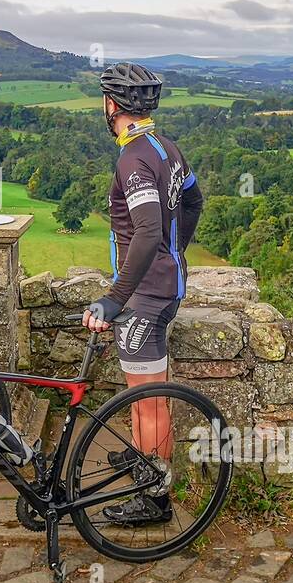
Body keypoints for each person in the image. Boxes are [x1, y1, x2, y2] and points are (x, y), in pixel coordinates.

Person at [81, 62, 204, 525]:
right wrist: (177, 250)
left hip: (145, 297)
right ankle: (142, 461)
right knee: (144, 396)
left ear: (111, 105)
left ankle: (154, 498)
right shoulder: (167, 149)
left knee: (149, 400)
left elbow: (148, 230)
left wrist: (115, 298)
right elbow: (193, 201)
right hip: (166, 286)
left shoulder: (133, 158)